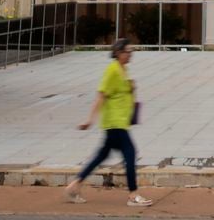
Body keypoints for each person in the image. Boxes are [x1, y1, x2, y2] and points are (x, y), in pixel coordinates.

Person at [64, 38, 151, 207]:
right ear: (118, 52)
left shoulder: (123, 69)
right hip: (114, 122)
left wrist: (132, 89)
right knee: (130, 154)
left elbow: (122, 94)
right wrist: (90, 119)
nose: (130, 54)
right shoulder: (112, 70)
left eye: (131, 51)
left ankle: (74, 186)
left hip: (120, 122)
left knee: (102, 156)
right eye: (127, 51)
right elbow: (101, 95)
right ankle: (133, 195)